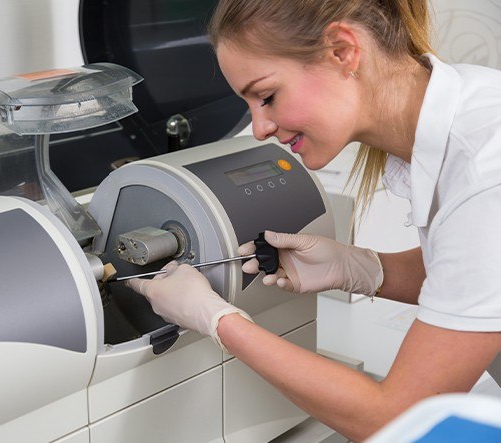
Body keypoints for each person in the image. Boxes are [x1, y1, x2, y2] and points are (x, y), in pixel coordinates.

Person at [127, 0, 501, 440]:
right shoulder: (474, 103)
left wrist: (216, 319)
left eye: (266, 96)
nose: (260, 127)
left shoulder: (485, 169)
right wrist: (362, 269)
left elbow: (394, 419)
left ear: (343, 51)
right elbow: (474, 275)